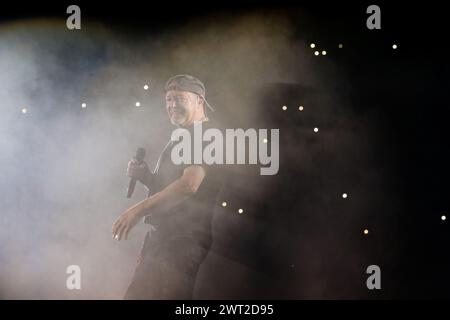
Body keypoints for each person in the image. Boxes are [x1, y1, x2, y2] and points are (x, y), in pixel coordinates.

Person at [112, 74, 224, 299]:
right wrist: (145, 177)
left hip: (182, 239)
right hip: (166, 236)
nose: (172, 105)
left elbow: (188, 186)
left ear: (199, 101)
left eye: (179, 98)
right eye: (169, 100)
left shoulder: (207, 136)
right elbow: (171, 186)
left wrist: (137, 210)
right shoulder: (184, 135)